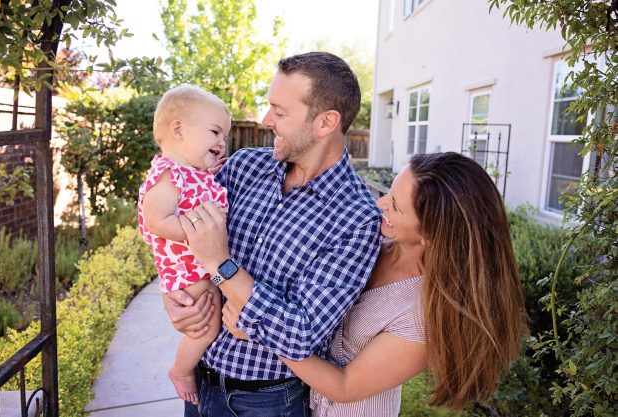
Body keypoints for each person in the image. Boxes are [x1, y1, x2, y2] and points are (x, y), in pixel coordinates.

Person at [202, 152, 529, 416]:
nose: (379, 204)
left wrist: (261, 329)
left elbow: (344, 385)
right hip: (301, 400)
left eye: (395, 207)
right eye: (389, 191)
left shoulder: (423, 314)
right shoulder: (374, 242)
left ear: (431, 234)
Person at [164, 52, 382, 416]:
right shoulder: (243, 167)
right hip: (201, 387)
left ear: (326, 122)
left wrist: (221, 264)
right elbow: (180, 235)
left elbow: (302, 334)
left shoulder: (356, 219)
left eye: (280, 112)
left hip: (267, 403)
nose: (266, 121)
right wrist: (177, 300)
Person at [137, 85, 231, 405]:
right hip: (185, 270)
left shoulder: (193, 173)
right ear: (178, 129)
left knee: (216, 314)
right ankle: (181, 369)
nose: (221, 142)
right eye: (215, 132)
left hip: (197, 265)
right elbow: (157, 220)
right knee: (205, 326)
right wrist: (201, 232)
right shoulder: (166, 175)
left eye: (224, 135)